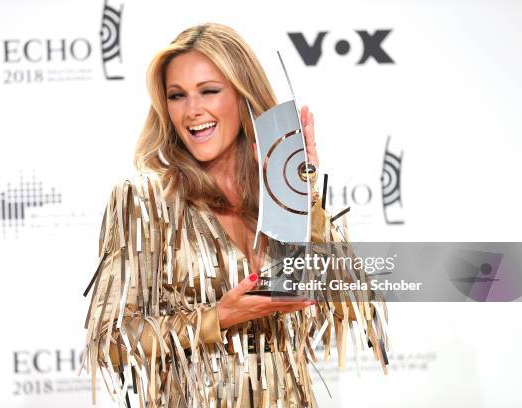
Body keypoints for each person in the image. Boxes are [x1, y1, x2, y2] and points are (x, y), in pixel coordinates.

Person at [81, 23, 388, 407]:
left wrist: (300, 188)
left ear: (243, 96)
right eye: (177, 96)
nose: (193, 111)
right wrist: (219, 317)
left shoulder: (279, 198)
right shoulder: (144, 199)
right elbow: (110, 341)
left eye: (209, 91)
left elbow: (355, 306)